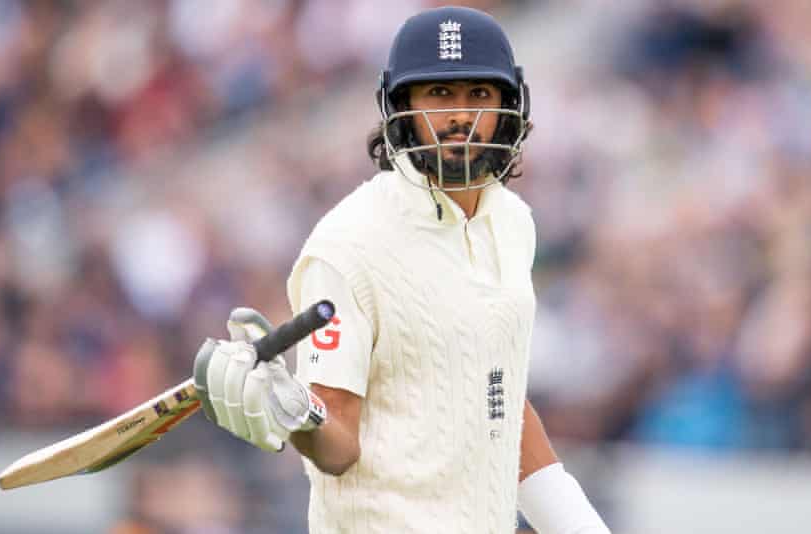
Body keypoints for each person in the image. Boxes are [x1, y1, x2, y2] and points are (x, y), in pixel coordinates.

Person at [193, 6, 611, 534]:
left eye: (478, 94)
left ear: (509, 106)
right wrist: (293, 413)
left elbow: (497, 401)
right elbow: (337, 446)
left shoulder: (512, 223)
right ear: (401, 108)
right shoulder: (348, 244)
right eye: (439, 94)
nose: (460, 116)